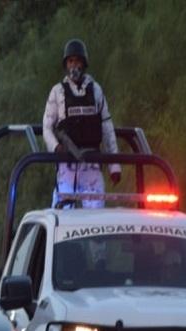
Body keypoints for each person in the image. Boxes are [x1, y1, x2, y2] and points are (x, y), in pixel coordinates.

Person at [43, 38, 121, 208]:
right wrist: (56, 147)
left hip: (92, 163)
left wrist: (114, 166)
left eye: (77, 61)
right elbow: (47, 127)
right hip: (67, 164)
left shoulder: (96, 90)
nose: (74, 65)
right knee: (61, 214)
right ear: (65, 64)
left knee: (95, 217)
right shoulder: (57, 92)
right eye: (70, 61)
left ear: (84, 63)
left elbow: (107, 127)